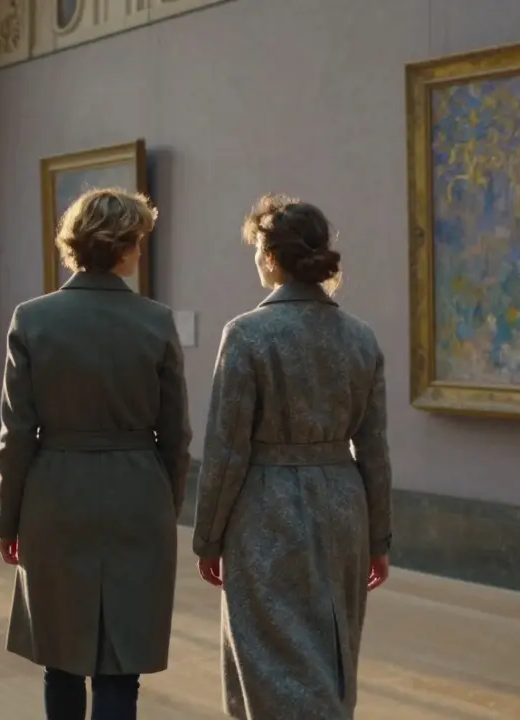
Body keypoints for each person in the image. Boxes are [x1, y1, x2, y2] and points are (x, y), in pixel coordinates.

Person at [0, 187, 191, 720]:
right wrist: (163, 505)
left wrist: (7, 519)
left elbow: (15, 436)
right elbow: (177, 436)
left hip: (55, 495)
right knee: (120, 664)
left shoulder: (32, 320)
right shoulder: (156, 321)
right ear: (127, 248)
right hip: (137, 493)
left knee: (60, 658)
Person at [191, 194, 392, 719]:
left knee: (269, 660)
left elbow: (226, 446)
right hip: (344, 505)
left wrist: (208, 535)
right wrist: (379, 537)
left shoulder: (247, 334)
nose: (256, 259)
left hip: (266, 507)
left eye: (258, 248)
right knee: (331, 652)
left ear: (272, 256)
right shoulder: (360, 337)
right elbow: (374, 448)